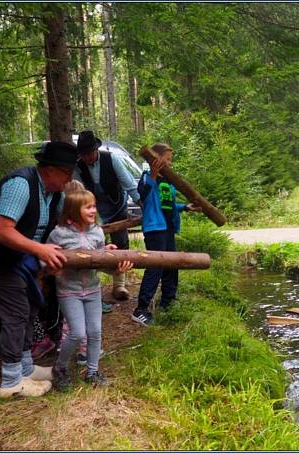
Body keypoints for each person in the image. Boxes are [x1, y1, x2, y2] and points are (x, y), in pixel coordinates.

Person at [0, 140, 78, 398]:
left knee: (30, 306)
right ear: (49, 169)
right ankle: (11, 382)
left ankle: (26, 368)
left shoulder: (54, 196)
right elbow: (2, 232)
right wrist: (40, 251)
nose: (68, 179)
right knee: (16, 313)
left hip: (15, 259)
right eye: (66, 173)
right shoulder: (21, 184)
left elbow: (67, 230)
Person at [47, 185, 133, 389]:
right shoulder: (58, 234)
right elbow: (46, 259)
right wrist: (53, 270)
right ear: (73, 210)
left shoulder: (97, 233)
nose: (94, 211)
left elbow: (100, 263)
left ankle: (92, 372)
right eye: (88, 207)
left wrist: (116, 267)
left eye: (94, 206)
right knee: (77, 332)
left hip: (93, 290)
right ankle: (59, 368)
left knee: (95, 331)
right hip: (69, 291)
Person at [131, 143, 201, 326]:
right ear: (156, 158)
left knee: (171, 265)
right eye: (167, 159)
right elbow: (142, 194)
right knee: (156, 266)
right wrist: (153, 175)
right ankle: (141, 309)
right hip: (155, 229)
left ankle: (168, 302)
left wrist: (185, 207)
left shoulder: (169, 183)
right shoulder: (147, 178)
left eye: (171, 160)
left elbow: (168, 205)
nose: (170, 163)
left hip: (168, 228)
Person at [73, 130, 141, 308]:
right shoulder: (77, 167)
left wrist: (144, 205)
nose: (87, 157)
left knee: (120, 244)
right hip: (94, 212)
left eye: (89, 153)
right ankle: (92, 287)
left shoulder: (112, 159)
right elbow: (78, 193)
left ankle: (119, 285)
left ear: (96, 149)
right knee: (91, 246)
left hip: (116, 207)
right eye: (83, 154)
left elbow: (130, 185)